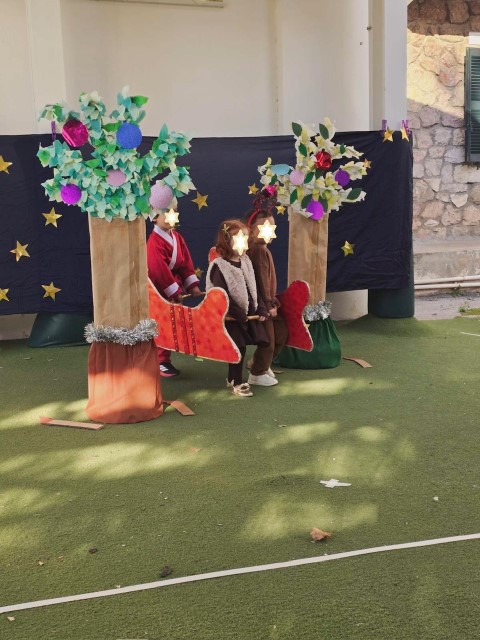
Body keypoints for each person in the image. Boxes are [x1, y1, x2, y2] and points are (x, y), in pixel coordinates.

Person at [206, 219, 268, 397]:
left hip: (247, 313)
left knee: (254, 344)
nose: (244, 243)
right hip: (231, 316)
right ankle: (236, 381)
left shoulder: (245, 261)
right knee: (237, 348)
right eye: (239, 239)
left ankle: (242, 375)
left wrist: (260, 307)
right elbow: (221, 295)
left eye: (245, 239)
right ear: (227, 241)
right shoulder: (219, 266)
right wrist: (237, 312)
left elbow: (253, 287)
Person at [147, 199, 202, 377]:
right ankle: (161, 361)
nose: (171, 215)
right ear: (154, 217)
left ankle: (165, 359)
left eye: (174, 211)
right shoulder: (154, 242)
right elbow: (157, 270)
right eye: (166, 211)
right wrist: (173, 292)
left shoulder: (177, 238)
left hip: (173, 288)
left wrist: (192, 286)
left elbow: (185, 263)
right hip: (159, 290)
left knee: (172, 324)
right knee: (162, 325)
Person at [245, 193, 288, 387]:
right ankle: (257, 372)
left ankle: (261, 363)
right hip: (261, 305)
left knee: (280, 333)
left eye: (272, 227)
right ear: (251, 230)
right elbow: (261, 280)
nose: (269, 232)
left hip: (268, 302)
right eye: (264, 228)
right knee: (268, 340)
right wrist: (268, 304)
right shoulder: (257, 250)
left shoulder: (263, 249)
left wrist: (273, 300)